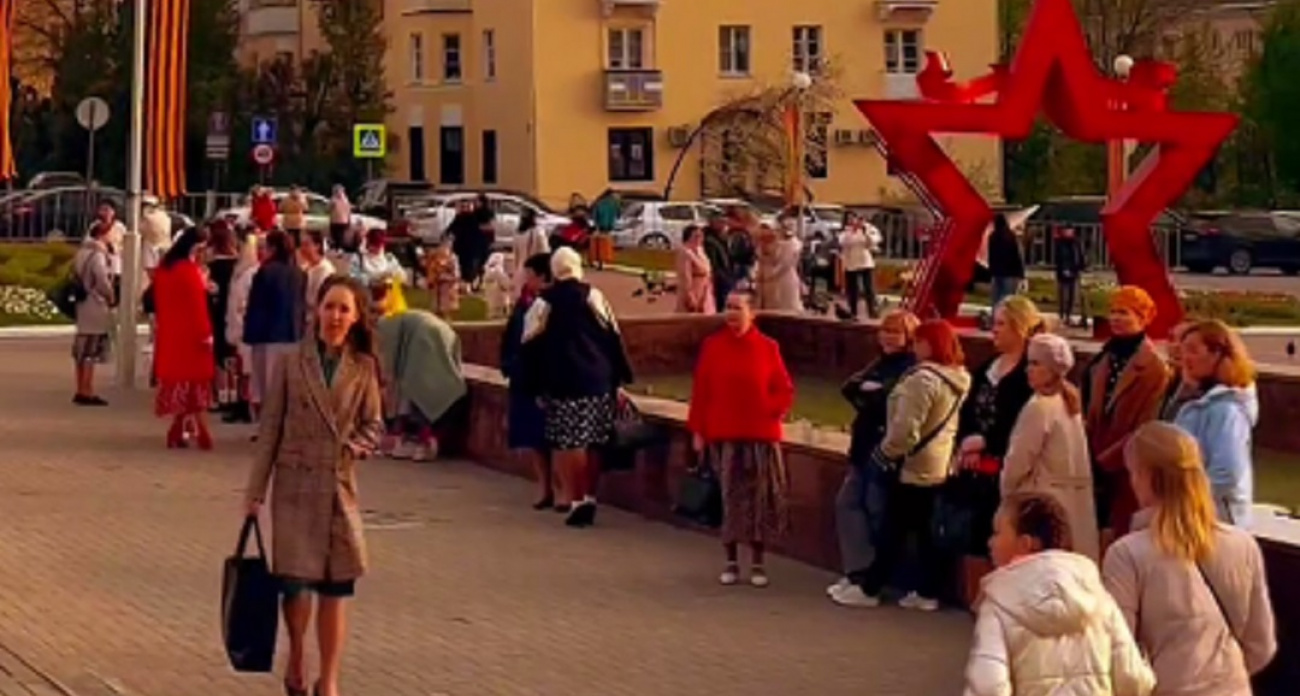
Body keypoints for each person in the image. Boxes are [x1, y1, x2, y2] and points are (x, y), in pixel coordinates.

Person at [244, 275, 385, 696]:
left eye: (344, 309)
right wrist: (254, 492)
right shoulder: (293, 363)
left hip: (338, 487)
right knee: (296, 585)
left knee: (337, 586)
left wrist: (358, 446)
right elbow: (270, 430)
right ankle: (297, 656)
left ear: (356, 317)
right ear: (316, 311)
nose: (335, 316)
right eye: (329, 307)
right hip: (294, 485)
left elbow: (374, 424)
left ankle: (330, 679)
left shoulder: (363, 367)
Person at [1103, 422, 1277, 696]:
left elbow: (1119, 656)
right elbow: (1261, 645)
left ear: (1145, 476)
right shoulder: (1243, 545)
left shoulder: (1127, 555)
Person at [964, 493, 1155, 696]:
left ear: (1025, 543)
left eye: (997, 533)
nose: (990, 542)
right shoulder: (1097, 597)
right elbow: (1133, 680)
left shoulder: (999, 603)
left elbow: (988, 687)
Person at [844, 320, 971, 610]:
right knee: (922, 532)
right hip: (936, 462)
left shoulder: (922, 380)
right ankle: (926, 592)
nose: (914, 347)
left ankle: (871, 588)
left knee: (894, 528)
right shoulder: (958, 377)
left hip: (911, 464)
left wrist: (884, 454)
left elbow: (905, 430)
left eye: (919, 341)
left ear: (930, 344)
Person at [519, 247, 634, 527]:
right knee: (595, 440)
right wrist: (620, 377)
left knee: (571, 441)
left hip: (562, 381)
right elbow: (613, 336)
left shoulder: (544, 303)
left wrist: (532, 385)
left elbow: (529, 345)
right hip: (597, 378)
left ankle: (577, 498)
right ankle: (590, 495)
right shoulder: (594, 296)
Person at [687, 289, 794, 587]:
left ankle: (758, 562)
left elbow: (784, 389)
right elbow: (701, 391)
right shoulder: (713, 346)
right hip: (724, 435)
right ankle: (731, 561)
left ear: (752, 313)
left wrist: (770, 410)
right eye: (728, 306)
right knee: (730, 498)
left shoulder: (768, 347)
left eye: (738, 307)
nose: (731, 313)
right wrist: (698, 431)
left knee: (759, 499)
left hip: (759, 435)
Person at [828, 310, 919, 602]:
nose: (888, 337)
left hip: (885, 454)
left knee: (878, 512)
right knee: (848, 504)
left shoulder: (910, 368)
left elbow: (891, 404)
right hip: (863, 449)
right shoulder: (879, 363)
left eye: (896, 332)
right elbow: (849, 388)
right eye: (885, 331)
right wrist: (870, 394)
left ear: (909, 337)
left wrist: (873, 395)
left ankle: (876, 578)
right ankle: (858, 571)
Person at [952, 295, 1039, 598]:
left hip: (1010, 471)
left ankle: (1004, 602)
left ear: (1020, 327)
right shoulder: (987, 367)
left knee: (1006, 537)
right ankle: (977, 600)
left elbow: (1025, 422)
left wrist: (988, 441)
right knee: (974, 537)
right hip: (975, 470)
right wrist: (967, 442)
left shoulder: (1029, 373)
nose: (994, 330)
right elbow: (967, 411)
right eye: (994, 323)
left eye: (1001, 324)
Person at [1082, 286, 1171, 542]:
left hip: (1127, 470)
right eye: (1112, 312)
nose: (1115, 318)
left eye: (1124, 312)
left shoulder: (1155, 369)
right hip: (1094, 463)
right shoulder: (1103, 359)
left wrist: (1106, 460)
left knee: (1123, 536)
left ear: (1142, 318)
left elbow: (1146, 426)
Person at [1002, 333, 1100, 561]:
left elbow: (1019, 460)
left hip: (1044, 499)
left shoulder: (1039, 407)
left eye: (1036, 364)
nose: (1028, 369)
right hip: (1073, 502)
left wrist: (1008, 495)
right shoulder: (1070, 400)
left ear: (1052, 369)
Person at [1172, 320, 1258, 526]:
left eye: (1193, 350)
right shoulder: (1199, 401)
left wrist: (1185, 501)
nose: (1185, 358)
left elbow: (1227, 472)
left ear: (1217, 354)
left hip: (1213, 519)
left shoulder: (1226, 409)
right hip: (1194, 516)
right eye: (1183, 351)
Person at [375, 310, 469, 462]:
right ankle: (421, 439)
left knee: (416, 388)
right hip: (441, 332)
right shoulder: (392, 323)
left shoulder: (382, 329)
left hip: (422, 338)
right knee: (428, 384)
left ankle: (419, 439)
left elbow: (389, 367)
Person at [153, 227, 216, 450]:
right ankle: (201, 431)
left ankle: (179, 428)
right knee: (196, 384)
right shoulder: (188, 271)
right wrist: (206, 333)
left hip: (171, 332)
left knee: (180, 383)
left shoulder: (165, 268)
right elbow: (197, 307)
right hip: (192, 335)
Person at [501, 253, 554, 509]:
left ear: (543, 277)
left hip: (542, 378)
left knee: (549, 436)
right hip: (522, 375)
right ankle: (544, 485)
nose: (526, 279)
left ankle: (559, 486)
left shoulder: (550, 304)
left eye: (530, 275)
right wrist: (509, 363)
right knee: (533, 437)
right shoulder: (525, 302)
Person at [243, 231, 307, 426]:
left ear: (273, 248)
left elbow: (256, 306)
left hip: (266, 335)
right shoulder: (299, 273)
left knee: (266, 386)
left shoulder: (265, 272)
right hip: (292, 334)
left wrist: (249, 336)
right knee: (286, 386)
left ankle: (267, 426)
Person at [71, 220, 116, 406]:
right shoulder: (97, 255)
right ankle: (87, 390)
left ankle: (80, 387)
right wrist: (111, 296)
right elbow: (102, 280)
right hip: (95, 304)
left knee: (81, 350)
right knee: (91, 350)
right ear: (103, 235)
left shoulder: (81, 252)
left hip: (81, 304)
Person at [224, 236, 261, 424]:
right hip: (238, 327)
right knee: (240, 370)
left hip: (245, 329)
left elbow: (244, 301)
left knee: (247, 372)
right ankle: (240, 402)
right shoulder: (242, 272)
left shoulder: (252, 273)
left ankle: (245, 405)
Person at [206, 221, 241, 415]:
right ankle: (233, 395)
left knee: (218, 355)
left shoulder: (212, 267)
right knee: (232, 357)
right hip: (233, 313)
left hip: (216, 312)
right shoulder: (237, 267)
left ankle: (220, 395)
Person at [837, 212, 882, 320]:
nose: (852, 221)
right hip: (851, 262)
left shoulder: (868, 228)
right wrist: (852, 231)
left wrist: (864, 231)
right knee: (852, 289)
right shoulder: (845, 231)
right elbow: (842, 242)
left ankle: (872, 310)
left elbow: (874, 241)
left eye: (854, 218)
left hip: (865, 261)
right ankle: (853, 311)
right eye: (849, 219)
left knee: (869, 288)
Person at [755, 225, 802, 312]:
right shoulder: (761, 253)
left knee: (785, 310)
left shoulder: (788, 248)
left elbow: (783, 265)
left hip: (784, 285)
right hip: (769, 289)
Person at [1158, 321, 1198, 421]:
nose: (1175, 346)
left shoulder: (1207, 396)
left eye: (1184, 340)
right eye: (1171, 339)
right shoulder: (1162, 381)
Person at [987, 213, 1025, 308]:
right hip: (1011, 273)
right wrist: (1021, 275)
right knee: (1008, 300)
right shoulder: (1011, 237)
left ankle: (996, 315)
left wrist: (991, 271)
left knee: (996, 300)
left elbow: (991, 256)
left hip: (997, 273)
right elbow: (1018, 256)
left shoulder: (992, 237)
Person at [674, 225, 715, 314]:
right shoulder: (685, 252)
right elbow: (685, 276)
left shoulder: (700, 250)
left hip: (705, 289)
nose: (699, 239)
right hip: (694, 288)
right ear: (688, 237)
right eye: (696, 236)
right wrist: (690, 295)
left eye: (701, 236)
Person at [299, 229, 337, 320]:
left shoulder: (325, 270)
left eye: (306, 244)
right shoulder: (304, 267)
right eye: (301, 244)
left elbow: (319, 300)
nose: (302, 248)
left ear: (317, 246)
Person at [511, 208, 550, 294]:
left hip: (520, 270)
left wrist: (515, 272)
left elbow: (515, 255)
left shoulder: (517, 233)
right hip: (535, 270)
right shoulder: (538, 232)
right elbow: (545, 251)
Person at [1054, 226, 1086, 326]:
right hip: (1063, 271)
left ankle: (1069, 314)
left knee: (1072, 294)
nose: (1067, 232)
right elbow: (1060, 258)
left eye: (1069, 230)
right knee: (1064, 295)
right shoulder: (1060, 243)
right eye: (1066, 230)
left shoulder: (1076, 242)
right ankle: (1062, 315)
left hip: (1074, 271)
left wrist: (1082, 266)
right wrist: (1064, 269)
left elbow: (1080, 255)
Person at [701, 216, 735, 312]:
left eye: (724, 222)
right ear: (712, 223)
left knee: (722, 302)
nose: (724, 225)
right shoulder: (709, 239)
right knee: (718, 302)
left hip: (725, 273)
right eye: (720, 222)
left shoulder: (721, 237)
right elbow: (712, 261)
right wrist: (720, 275)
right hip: (719, 276)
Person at [423, 242, 461, 319]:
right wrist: (432, 278)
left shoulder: (453, 259)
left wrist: (444, 277)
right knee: (437, 309)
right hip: (437, 288)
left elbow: (456, 275)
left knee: (446, 309)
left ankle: (447, 319)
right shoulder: (434, 259)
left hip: (448, 288)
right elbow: (431, 273)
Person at [482, 251, 513, 318]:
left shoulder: (487, 269)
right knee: (499, 306)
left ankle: (493, 314)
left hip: (490, 292)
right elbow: (504, 281)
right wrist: (509, 286)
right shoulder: (498, 269)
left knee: (492, 306)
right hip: (498, 293)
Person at [327, 185, 353, 251]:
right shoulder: (346, 200)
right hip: (344, 221)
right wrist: (349, 221)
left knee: (335, 236)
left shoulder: (333, 199)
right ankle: (340, 249)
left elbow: (328, 209)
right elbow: (349, 211)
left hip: (335, 221)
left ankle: (337, 249)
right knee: (341, 236)